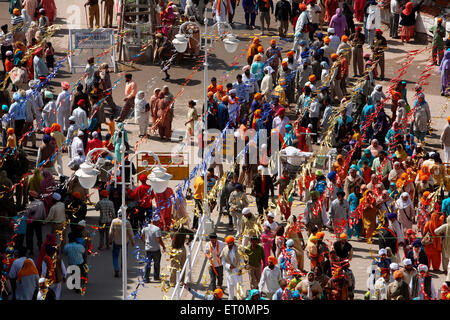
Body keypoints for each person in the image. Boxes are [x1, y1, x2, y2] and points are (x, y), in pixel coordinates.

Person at [109, 209, 135, 277]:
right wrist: (133, 241)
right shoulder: (126, 222)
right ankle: (123, 268)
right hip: (125, 242)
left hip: (116, 242)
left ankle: (116, 268)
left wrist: (110, 240)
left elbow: (111, 232)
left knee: (115, 256)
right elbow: (130, 233)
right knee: (124, 256)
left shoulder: (114, 221)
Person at [220, 236, 243, 300]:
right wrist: (229, 266)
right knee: (230, 286)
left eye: (230, 243)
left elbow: (242, 259)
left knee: (238, 285)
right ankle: (231, 298)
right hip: (229, 271)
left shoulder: (238, 248)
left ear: (233, 242)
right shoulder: (225, 250)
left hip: (237, 270)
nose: (229, 245)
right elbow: (223, 261)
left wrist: (241, 268)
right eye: (228, 243)